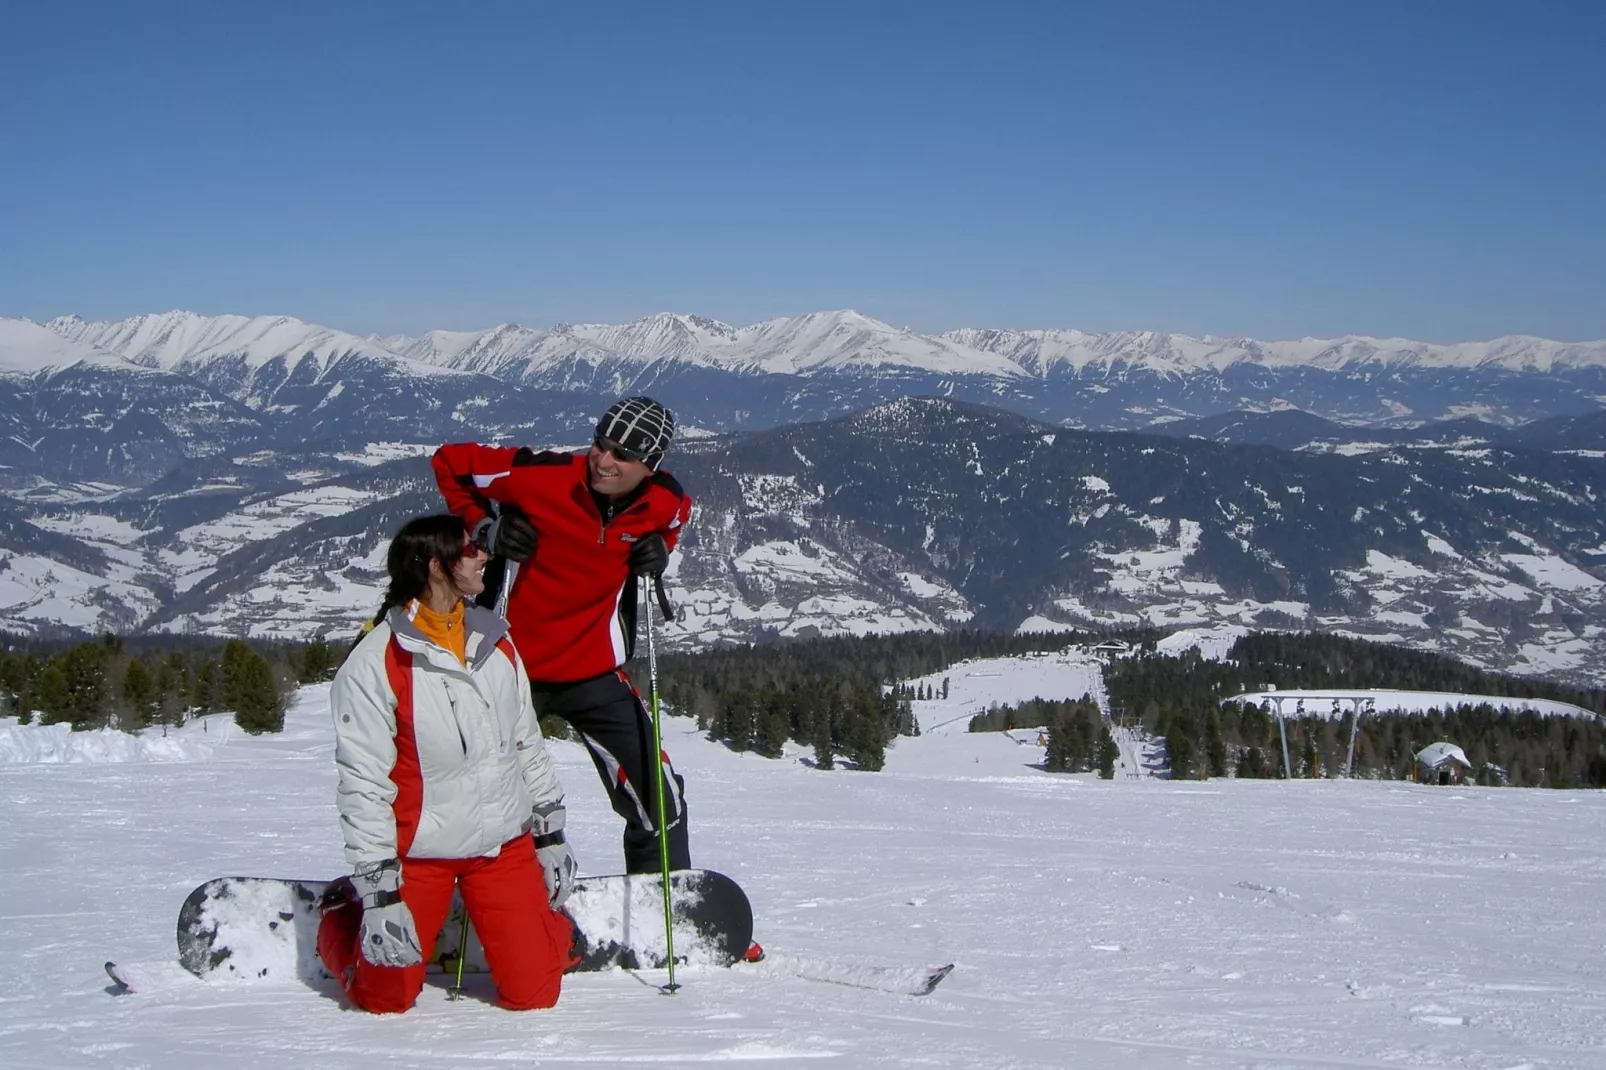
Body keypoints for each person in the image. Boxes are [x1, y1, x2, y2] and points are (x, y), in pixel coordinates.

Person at [317, 514, 578, 1013]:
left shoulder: (494, 641)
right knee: (385, 1000)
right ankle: (340, 915)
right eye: (470, 550)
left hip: (501, 844)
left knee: (535, 995)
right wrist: (378, 893)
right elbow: (364, 783)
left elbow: (526, 742)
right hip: (420, 851)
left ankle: (539, 928)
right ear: (437, 567)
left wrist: (548, 832)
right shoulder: (378, 664)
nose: (483, 556)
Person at [431, 396, 693, 875]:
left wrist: (661, 547)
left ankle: (663, 908)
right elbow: (450, 462)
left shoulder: (664, 499)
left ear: (650, 466)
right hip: (508, 671)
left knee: (661, 800)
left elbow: (676, 518)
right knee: (481, 801)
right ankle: (478, 902)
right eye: (600, 443)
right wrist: (487, 528)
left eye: (623, 455)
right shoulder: (539, 477)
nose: (604, 460)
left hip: (593, 674)